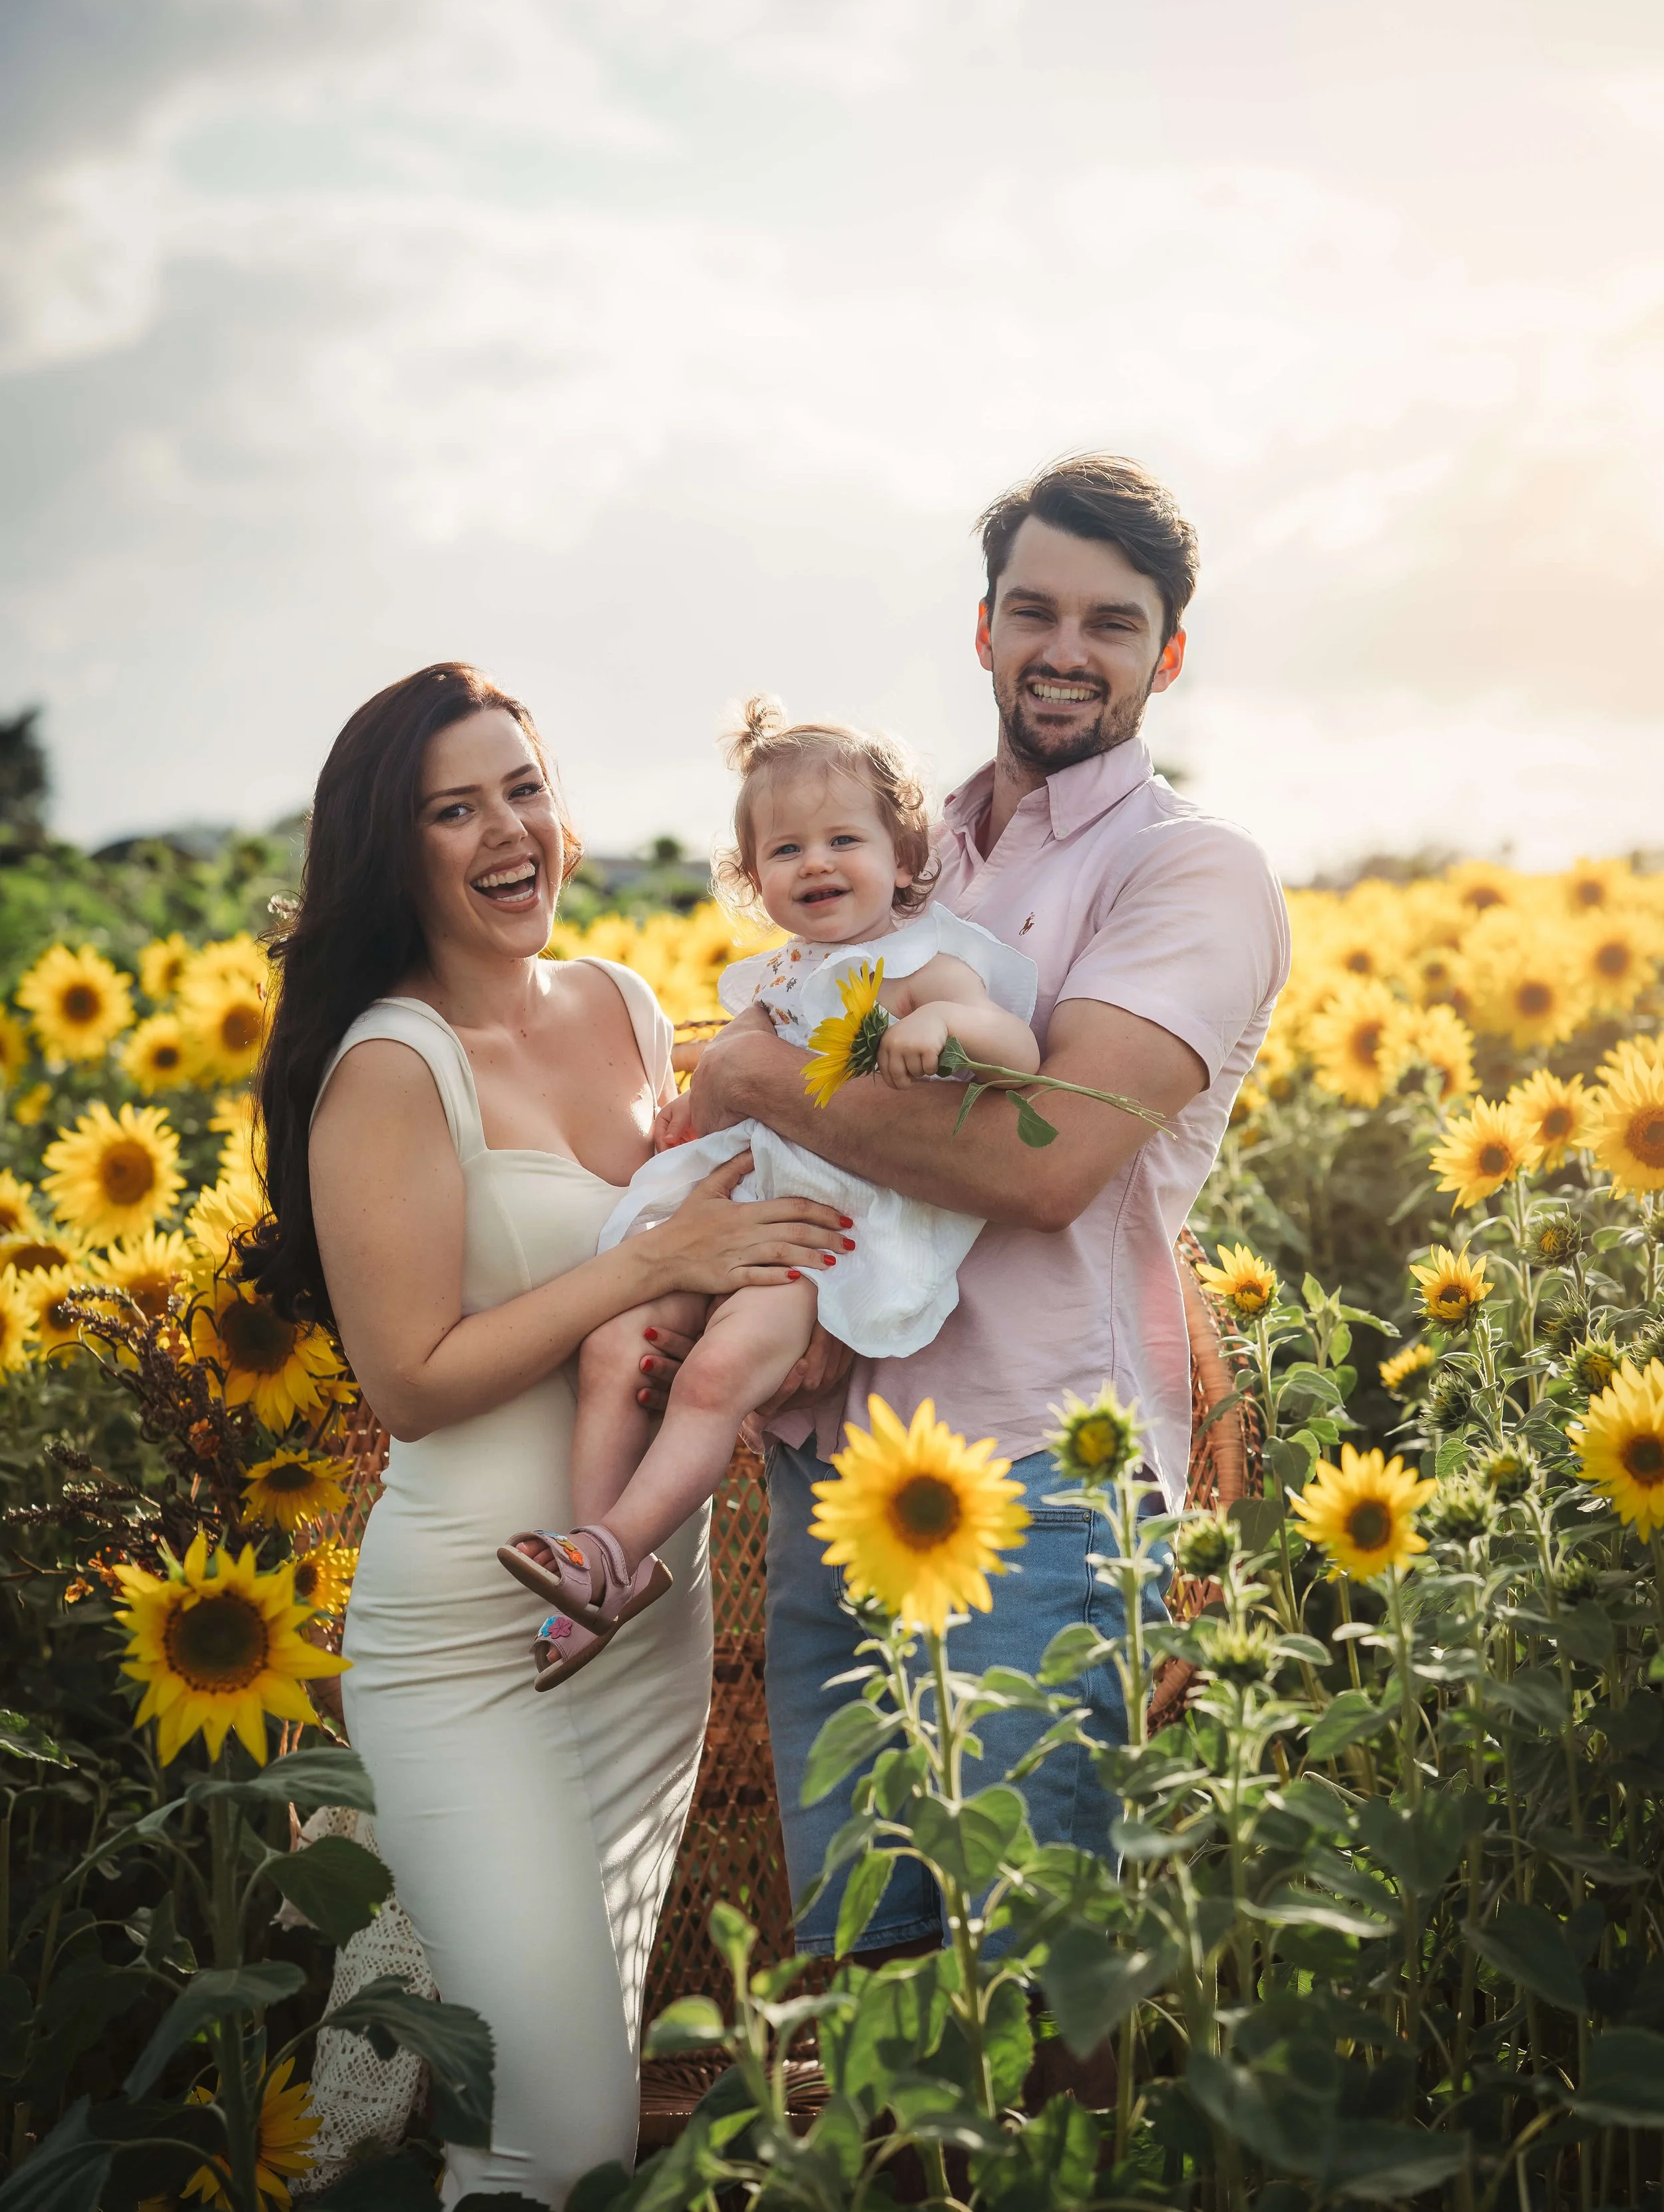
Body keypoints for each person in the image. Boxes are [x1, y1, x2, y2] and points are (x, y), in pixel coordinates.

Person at [244, 663, 849, 2207]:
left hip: (635, 1620)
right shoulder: (392, 1063)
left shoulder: (621, 1005)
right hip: (471, 1640)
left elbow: (689, 1271)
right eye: (456, 807)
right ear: (395, 850)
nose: (509, 830)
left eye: (525, 786)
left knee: (529, 2111)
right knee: (557, 2123)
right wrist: (647, 1264)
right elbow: (412, 1377)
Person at [686, 455, 1293, 1956]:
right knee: (861, 1966)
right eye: (1033, 610)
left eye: (1109, 620)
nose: (1064, 649)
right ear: (982, 630)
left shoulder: (1188, 872)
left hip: (1037, 1474)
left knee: (1027, 1960)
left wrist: (756, 1078)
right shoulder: (898, 850)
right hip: (834, 1463)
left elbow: (1042, 1163)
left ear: (1165, 652)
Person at [497, 700, 1040, 1683]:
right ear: (755, 880)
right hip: (734, 1205)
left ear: (905, 853)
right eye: (786, 850)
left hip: (824, 1234)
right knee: (615, 1341)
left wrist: (945, 1032)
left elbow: (1019, 1047)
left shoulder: (925, 964)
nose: (817, 864)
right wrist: (693, 1106)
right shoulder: (784, 976)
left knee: (714, 1376)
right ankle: (591, 1561)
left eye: (844, 840)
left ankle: (620, 1549)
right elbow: (732, 1081)